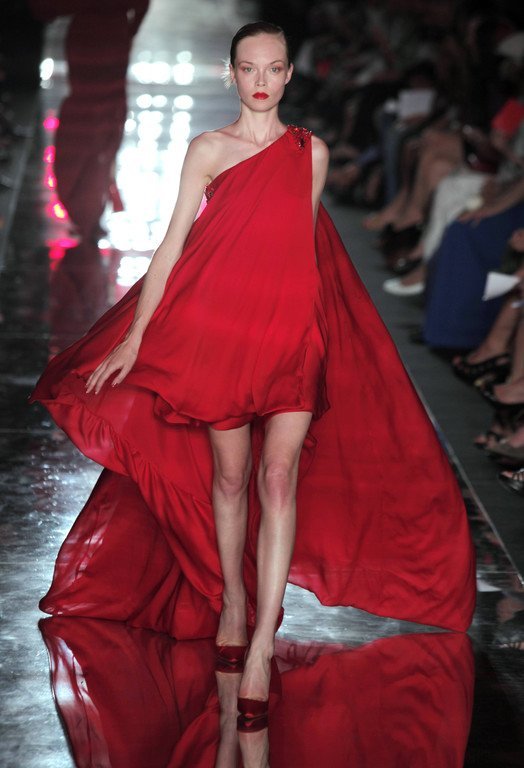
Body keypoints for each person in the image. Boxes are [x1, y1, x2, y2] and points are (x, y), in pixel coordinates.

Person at [31, 22, 476, 721]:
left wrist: (321, 337)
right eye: (249, 67)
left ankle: (263, 643)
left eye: (273, 67)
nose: (261, 80)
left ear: (290, 74)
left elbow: (305, 248)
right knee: (232, 479)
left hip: (291, 333)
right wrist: (137, 337)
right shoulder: (207, 150)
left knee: (277, 476)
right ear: (231, 73)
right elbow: (173, 246)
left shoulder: (311, 153)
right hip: (222, 334)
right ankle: (234, 603)